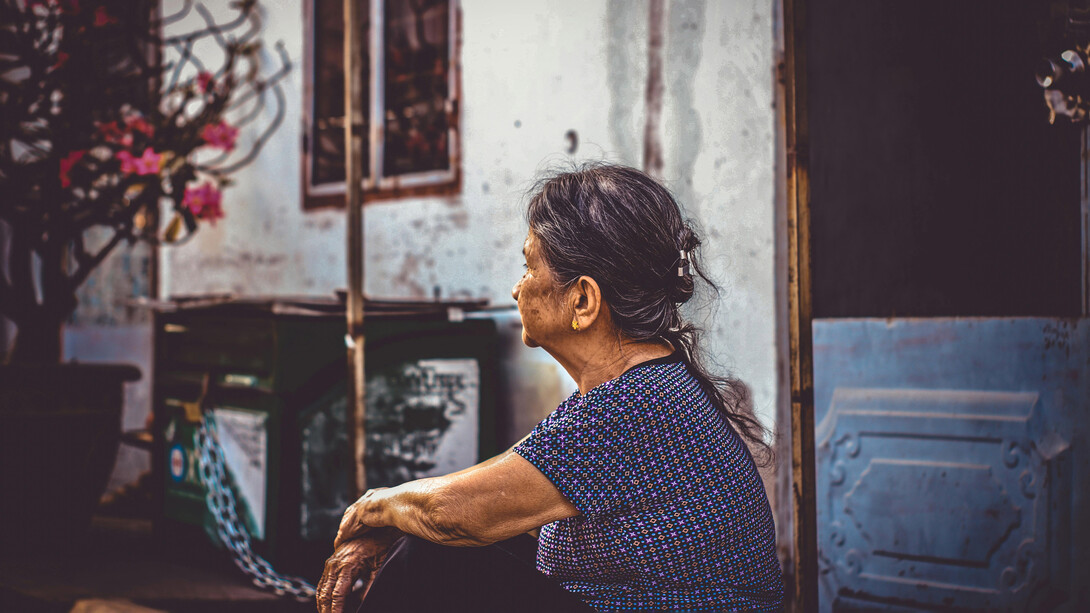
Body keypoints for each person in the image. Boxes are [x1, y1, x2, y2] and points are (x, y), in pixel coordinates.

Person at [316, 164, 784, 612]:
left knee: (435, 561)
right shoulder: (637, 390)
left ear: (582, 299)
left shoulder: (638, 402)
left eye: (529, 267)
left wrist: (372, 508)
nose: (517, 290)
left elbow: (454, 510)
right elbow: (489, 498)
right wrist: (403, 523)